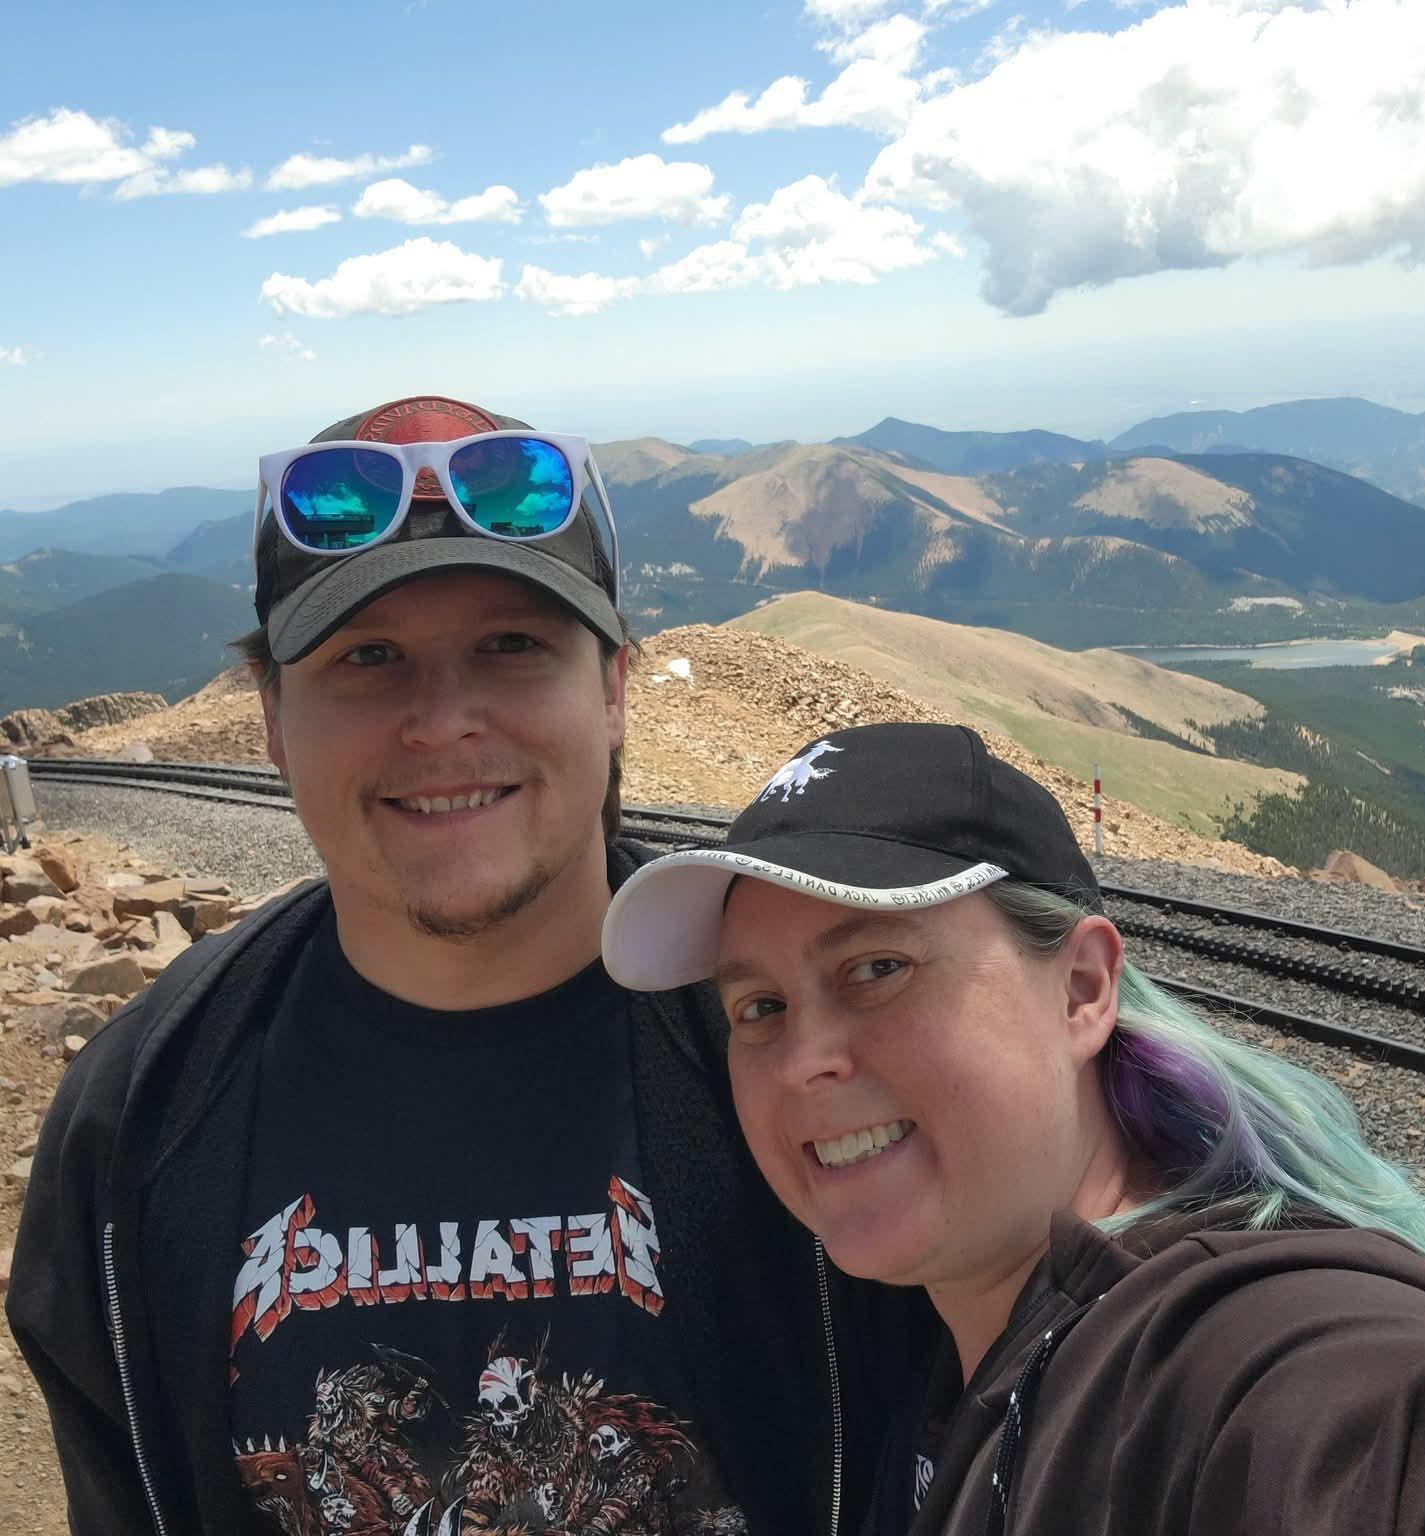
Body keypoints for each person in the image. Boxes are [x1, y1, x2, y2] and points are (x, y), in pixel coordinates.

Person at [8, 397, 925, 1536]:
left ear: (613, 691)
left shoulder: (815, 1056)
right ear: (274, 723)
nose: (442, 722)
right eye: (369, 657)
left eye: (511, 646)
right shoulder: (139, 1114)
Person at [602, 720, 1425, 1536]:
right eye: (758, 1007)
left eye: (877, 968)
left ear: (1082, 990)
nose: (805, 1058)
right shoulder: (949, 1345)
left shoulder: (1234, 1353)